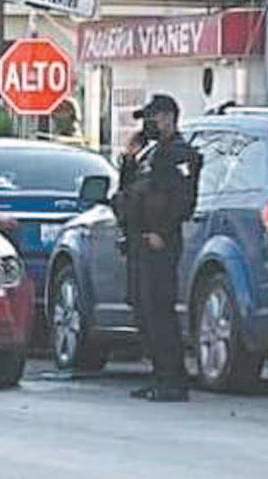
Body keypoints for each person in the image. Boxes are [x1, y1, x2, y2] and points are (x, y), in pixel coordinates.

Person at [114, 94, 201, 403]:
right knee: (143, 311)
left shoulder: (179, 153)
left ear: (167, 117)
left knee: (159, 311)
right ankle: (159, 376)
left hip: (159, 241)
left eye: (152, 118)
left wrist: (161, 231)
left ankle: (173, 380)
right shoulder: (151, 154)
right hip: (138, 240)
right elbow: (128, 191)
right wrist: (129, 158)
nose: (148, 124)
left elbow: (183, 199)